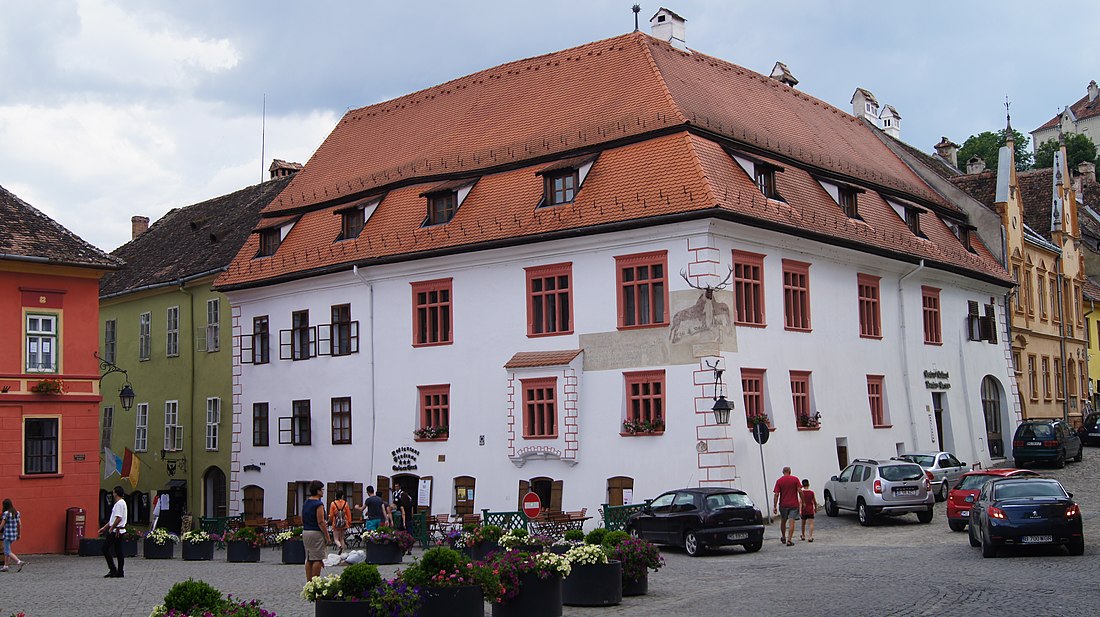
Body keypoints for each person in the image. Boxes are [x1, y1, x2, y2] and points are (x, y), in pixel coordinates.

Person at [301, 480, 331, 582]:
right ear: (318, 491)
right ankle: (315, 582)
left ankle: (309, 582)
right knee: (317, 558)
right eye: (322, 490)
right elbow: (321, 522)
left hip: (306, 531)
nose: (323, 492)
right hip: (316, 532)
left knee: (309, 558)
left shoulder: (306, 502)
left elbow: (303, 518)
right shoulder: (318, 504)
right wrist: (327, 536)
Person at [98, 486, 128, 578]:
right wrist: (105, 527)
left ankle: (113, 569)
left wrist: (111, 528)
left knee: (105, 548)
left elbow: (118, 518)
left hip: (116, 531)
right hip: (119, 530)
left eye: (113, 492)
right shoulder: (122, 503)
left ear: (116, 493)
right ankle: (119, 571)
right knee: (118, 551)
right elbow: (113, 519)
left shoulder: (119, 504)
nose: (113, 494)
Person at [772, 466, 802, 547]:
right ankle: (789, 540)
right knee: (791, 521)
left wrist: (774, 506)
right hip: (794, 504)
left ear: (783, 472)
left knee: (783, 521)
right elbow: (799, 490)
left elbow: (776, 494)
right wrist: (803, 500)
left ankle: (783, 536)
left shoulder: (779, 481)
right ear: (790, 471)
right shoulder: (795, 479)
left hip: (783, 505)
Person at [1, 498, 25, 573]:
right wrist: (19, 534)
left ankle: (19, 562)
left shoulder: (6, 514)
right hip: (13, 535)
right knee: (7, 550)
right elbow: (19, 524)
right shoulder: (17, 513)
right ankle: (6, 566)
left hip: (7, 535)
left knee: (7, 551)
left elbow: (2, 525)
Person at [329, 489, 352, 553]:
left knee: (336, 539)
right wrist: (349, 522)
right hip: (344, 523)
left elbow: (331, 515)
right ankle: (343, 552)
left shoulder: (333, 504)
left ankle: (339, 546)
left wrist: (330, 521)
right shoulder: (345, 503)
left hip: (336, 523)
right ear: (342, 496)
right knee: (342, 538)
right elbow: (348, 513)